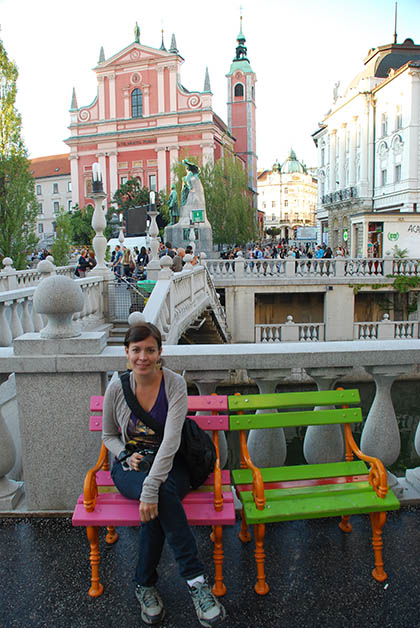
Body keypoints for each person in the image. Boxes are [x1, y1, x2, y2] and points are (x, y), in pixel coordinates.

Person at [102, 323, 225, 626]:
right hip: (131, 465)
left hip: (172, 463)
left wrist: (149, 490)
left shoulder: (174, 384)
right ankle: (196, 583)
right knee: (163, 495)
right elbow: (108, 435)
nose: (143, 356)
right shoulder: (117, 387)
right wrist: (123, 455)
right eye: (136, 350)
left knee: (160, 496)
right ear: (126, 353)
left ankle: (144, 584)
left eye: (150, 350)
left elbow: (171, 441)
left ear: (159, 352)